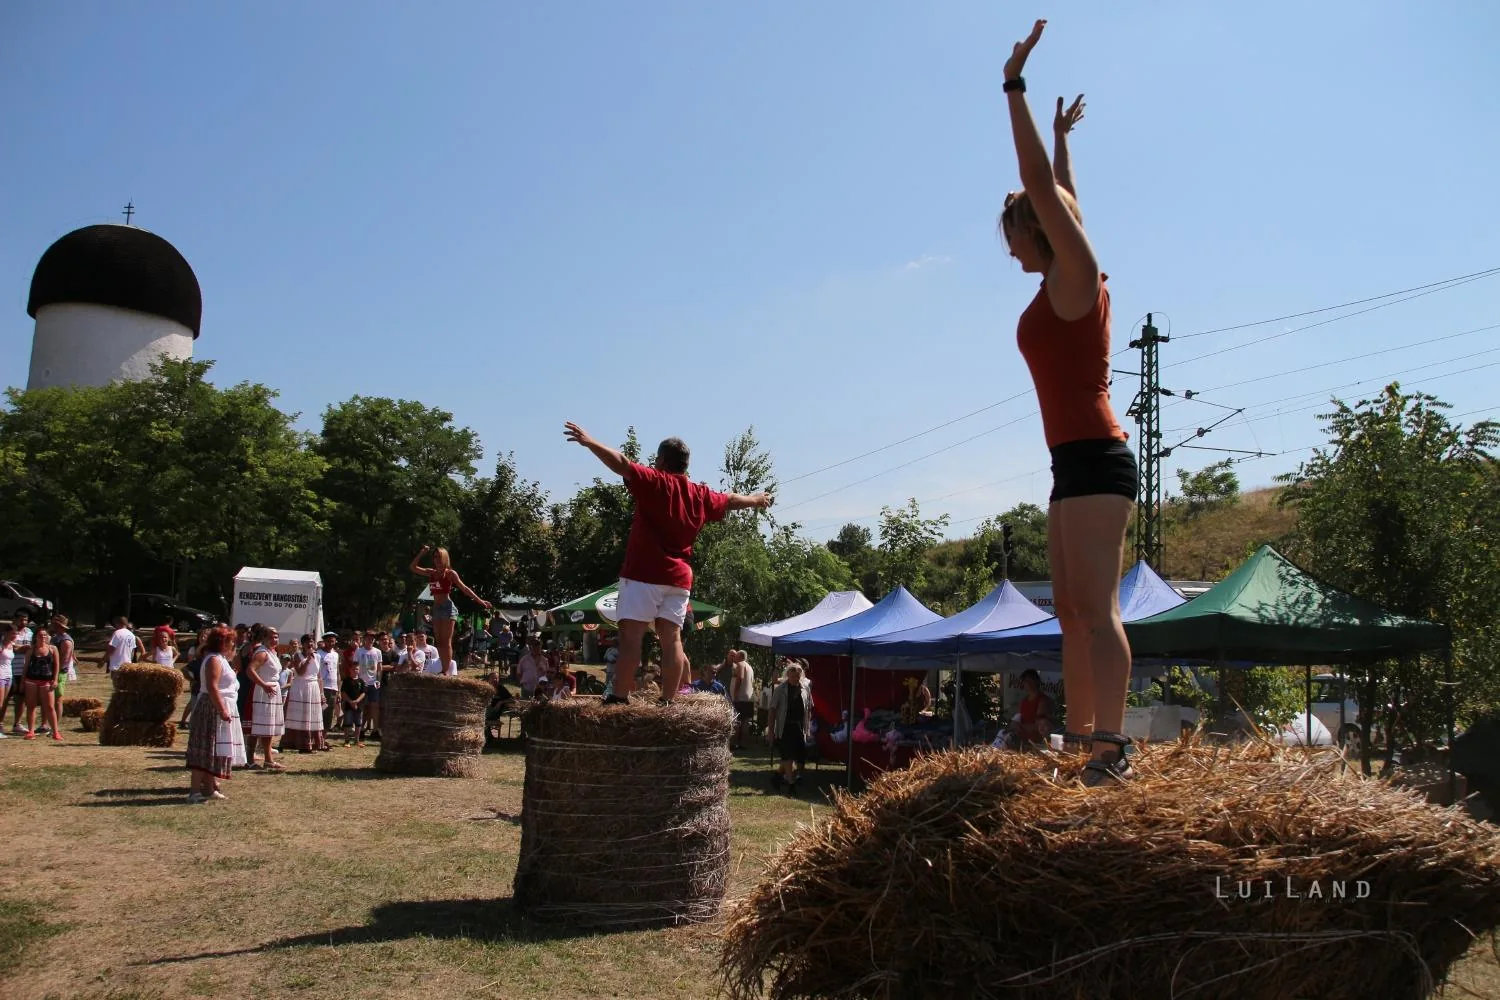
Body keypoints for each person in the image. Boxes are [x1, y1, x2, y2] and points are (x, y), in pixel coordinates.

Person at [1000, 19, 1135, 785]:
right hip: (1067, 463)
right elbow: (1067, 195)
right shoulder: (1064, 277)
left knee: (1097, 606)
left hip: (1096, 456)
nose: (1010, 247)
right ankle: (1082, 742)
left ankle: (1111, 750)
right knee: (1072, 615)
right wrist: (1061, 135)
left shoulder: (1079, 281)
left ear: (1037, 233)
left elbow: (1052, 196)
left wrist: (1013, 86)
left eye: (1013, 234)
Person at [564, 422, 772, 704]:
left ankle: (619, 699)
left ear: (662, 460)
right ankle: (668, 701)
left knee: (631, 638)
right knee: (671, 640)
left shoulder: (655, 481)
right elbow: (731, 500)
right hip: (678, 580)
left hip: (643, 574)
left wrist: (590, 443)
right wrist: (757, 499)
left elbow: (623, 464)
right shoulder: (699, 494)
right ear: (685, 465)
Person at [407, 546, 492, 678]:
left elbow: (465, 588)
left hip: (447, 607)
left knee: (446, 641)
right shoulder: (431, 573)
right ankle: (443, 668)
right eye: (435, 557)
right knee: (439, 640)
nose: (437, 560)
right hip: (436, 608)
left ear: (445, 558)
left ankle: (446, 671)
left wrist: (481, 601)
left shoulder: (451, 574)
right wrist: (421, 553)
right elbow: (413, 567)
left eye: (439, 557)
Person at [185, 625, 247, 802]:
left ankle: (210, 789)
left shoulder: (220, 659)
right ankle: (195, 791)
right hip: (211, 707)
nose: (233, 645)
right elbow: (212, 687)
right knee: (204, 749)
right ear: (222, 642)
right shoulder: (213, 659)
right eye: (231, 642)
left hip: (221, 706)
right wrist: (222, 710)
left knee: (215, 750)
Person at [767, 662, 813, 794]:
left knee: (800, 754)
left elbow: (809, 709)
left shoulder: (805, 689)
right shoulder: (780, 689)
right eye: (793, 676)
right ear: (788, 675)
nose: (795, 679)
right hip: (785, 726)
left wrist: (808, 728)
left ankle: (777, 776)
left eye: (798, 676)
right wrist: (770, 730)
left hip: (799, 725)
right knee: (787, 754)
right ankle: (791, 784)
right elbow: (772, 710)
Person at [246, 625, 286, 770]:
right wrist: (263, 685)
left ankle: (268, 759)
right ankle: (249, 759)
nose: (274, 639)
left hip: (273, 690)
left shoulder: (273, 652)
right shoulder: (262, 653)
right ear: (264, 638)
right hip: (264, 692)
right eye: (271, 636)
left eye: (276, 636)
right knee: (258, 726)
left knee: (268, 727)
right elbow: (250, 670)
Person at [283, 634, 329, 753]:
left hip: (313, 687)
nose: (310, 644)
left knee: (312, 715)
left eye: (312, 642)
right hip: (300, 687)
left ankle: (314, 743)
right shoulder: (297, 655)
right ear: (302, 644)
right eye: (307, 642)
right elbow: (300, 672)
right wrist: (308, 659)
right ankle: (298, 743)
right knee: (301, 715)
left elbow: (319, 677)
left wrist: (322, 693)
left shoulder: (318, 657)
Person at [22, 626, 63, 741]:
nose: (43, 637)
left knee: (50, 706)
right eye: (40, 635)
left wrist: (55, 680)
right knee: (31, 706)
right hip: (31, 681)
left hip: (47, 681)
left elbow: (56, 666)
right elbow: (25, 667)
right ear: (36, 637)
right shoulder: (31, 650)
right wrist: (22, 682)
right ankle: (31, 731)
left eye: (45, 635)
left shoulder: (52, 649)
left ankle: (55, 732)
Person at [1001, 669, 1055, 750]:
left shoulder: (1043, 700)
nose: (1028, 683)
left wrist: (1019, 727)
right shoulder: (1024, 701)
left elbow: (1040, 726)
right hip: (1022, 742)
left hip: (1037, 744)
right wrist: (1014, 725)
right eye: (1025, 681)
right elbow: (1018, 718)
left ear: (1037, 681)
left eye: (1030, 680)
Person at [48, 615, 76, 733]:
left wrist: (55, 673)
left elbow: (64, 659)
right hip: (50, 671)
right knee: (49, 699)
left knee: (58, 699)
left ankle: (55, 726)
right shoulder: (56, 637)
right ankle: (47, 724)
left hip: (58, 673)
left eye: (54, 623)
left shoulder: (65, 640)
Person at [355, 632, 382, 737]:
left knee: (374, 706)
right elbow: (355, 665)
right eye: (368, 638)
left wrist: (378, 680)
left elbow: (379, 668)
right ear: (364, 639)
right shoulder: (359, 651)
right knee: (362, 706)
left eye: (372, 638)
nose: (370, 640)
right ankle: (359, 729)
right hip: (361, 682)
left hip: (373, 683)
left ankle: (375, 730)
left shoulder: (377, 651)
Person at [728, 650, 756, 750]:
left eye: (736, 656)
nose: (734, 658)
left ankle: (733, 743)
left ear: (740, 657)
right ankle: (743, 744)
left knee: (736, 721)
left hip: (740, 698)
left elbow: (740, 678)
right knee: (745, 722)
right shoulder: (750, 667)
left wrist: (735, 695)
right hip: (748, 698)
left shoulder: (740, 664)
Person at [316, 632, 341, 732]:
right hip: (322, 686)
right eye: (329, 641)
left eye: (333, 641)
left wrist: (339, 690)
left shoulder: (336, 654)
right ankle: (317, 737)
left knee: (329, 712)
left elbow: (338, 672)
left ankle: (324, 737)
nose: (331, 643)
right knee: (320, 711)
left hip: (333, 687)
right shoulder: (318, 654)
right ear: (325, 641)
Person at [340, 662, 367, 747]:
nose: (355, 670)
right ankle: (347, 741)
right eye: (353, 669)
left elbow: (363, 693)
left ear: (359, 670)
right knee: (347, 722)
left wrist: (357, 701)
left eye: (357, 669)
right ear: (350, 670)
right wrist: (350, 701)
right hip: (348, 705)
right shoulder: (346, 681)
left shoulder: (361, 681)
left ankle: (357, 740)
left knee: (358, 723)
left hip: (359, 705)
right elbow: (343, 693)